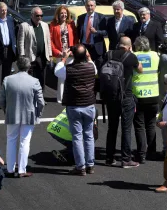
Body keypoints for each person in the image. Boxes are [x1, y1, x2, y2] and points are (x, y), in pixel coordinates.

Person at [0, 56, 45, 178]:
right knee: (25, 142)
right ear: (29, 67)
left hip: (12, 114)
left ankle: (10, 168)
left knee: (11, 141)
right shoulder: (34, 81)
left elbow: (1, 101)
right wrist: (38, 114)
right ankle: (22, 169)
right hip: (28, 116)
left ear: (17, 66)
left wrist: (6, 111)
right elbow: (40, 102)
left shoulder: (7, 80)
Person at [55, 44, 96, 176]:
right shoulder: (91, 67)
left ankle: (80, 166)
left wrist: (63, 58)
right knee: (88, 135)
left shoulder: (68, 69)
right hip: (89, 105)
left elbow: (57, 71)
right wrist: (88, 56)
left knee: (77, 137)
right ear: (86, 55)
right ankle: (90, 165)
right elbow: (92, 64)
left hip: (74, 106)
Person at [102, 37, 141, 167]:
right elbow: (140, 69)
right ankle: (125, 159)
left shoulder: (109, 54)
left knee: (112, 127)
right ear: (129, 47)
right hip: (126, 97)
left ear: (119, 45)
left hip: (111, 97)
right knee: (126, 128)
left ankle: (109, 157)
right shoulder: (132, 57)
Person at [132, 36, 160, 164]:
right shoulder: (155, 55)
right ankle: (152, 152)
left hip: (138, 95)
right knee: (151, 124)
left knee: (139, 126)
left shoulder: (134, 56)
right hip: (154, 95)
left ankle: (141, 154)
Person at [17, 6, 51, 89]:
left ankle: (41, 97)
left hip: (42, 57)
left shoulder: (45, 25)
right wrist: (22, 56)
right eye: (37, 16)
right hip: (30, 57)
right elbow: (20, 42)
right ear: (32, 15)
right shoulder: (24, 26)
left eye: (41, 16)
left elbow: (48, 41)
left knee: (41, 78)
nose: (39, 17)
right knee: (30, 79)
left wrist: (49, 54)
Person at [49, 5, 76, 103]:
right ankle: (60, 99)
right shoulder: (53, 25)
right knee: (61, 77)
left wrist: (73, 50)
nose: (64, 15)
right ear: (58, 14)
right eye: (61, 13)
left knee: (71, 76)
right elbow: (50, 41)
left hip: (70, 53)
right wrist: (57, 52)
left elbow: (76, 38)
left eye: (65, 13)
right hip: (60, 54)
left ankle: (70, 97)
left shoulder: (71, 24)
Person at [76, 0, 107, 67]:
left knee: (99, 68)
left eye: (91, 5)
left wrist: (96, 32)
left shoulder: (101, 17)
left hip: (97, 48)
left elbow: (105, 32)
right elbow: (78, 33)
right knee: (84, 67)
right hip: (84, 47)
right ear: (85, 6)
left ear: (95, 6)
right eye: (87, 5)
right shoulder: (81, 18)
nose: (89, 7)